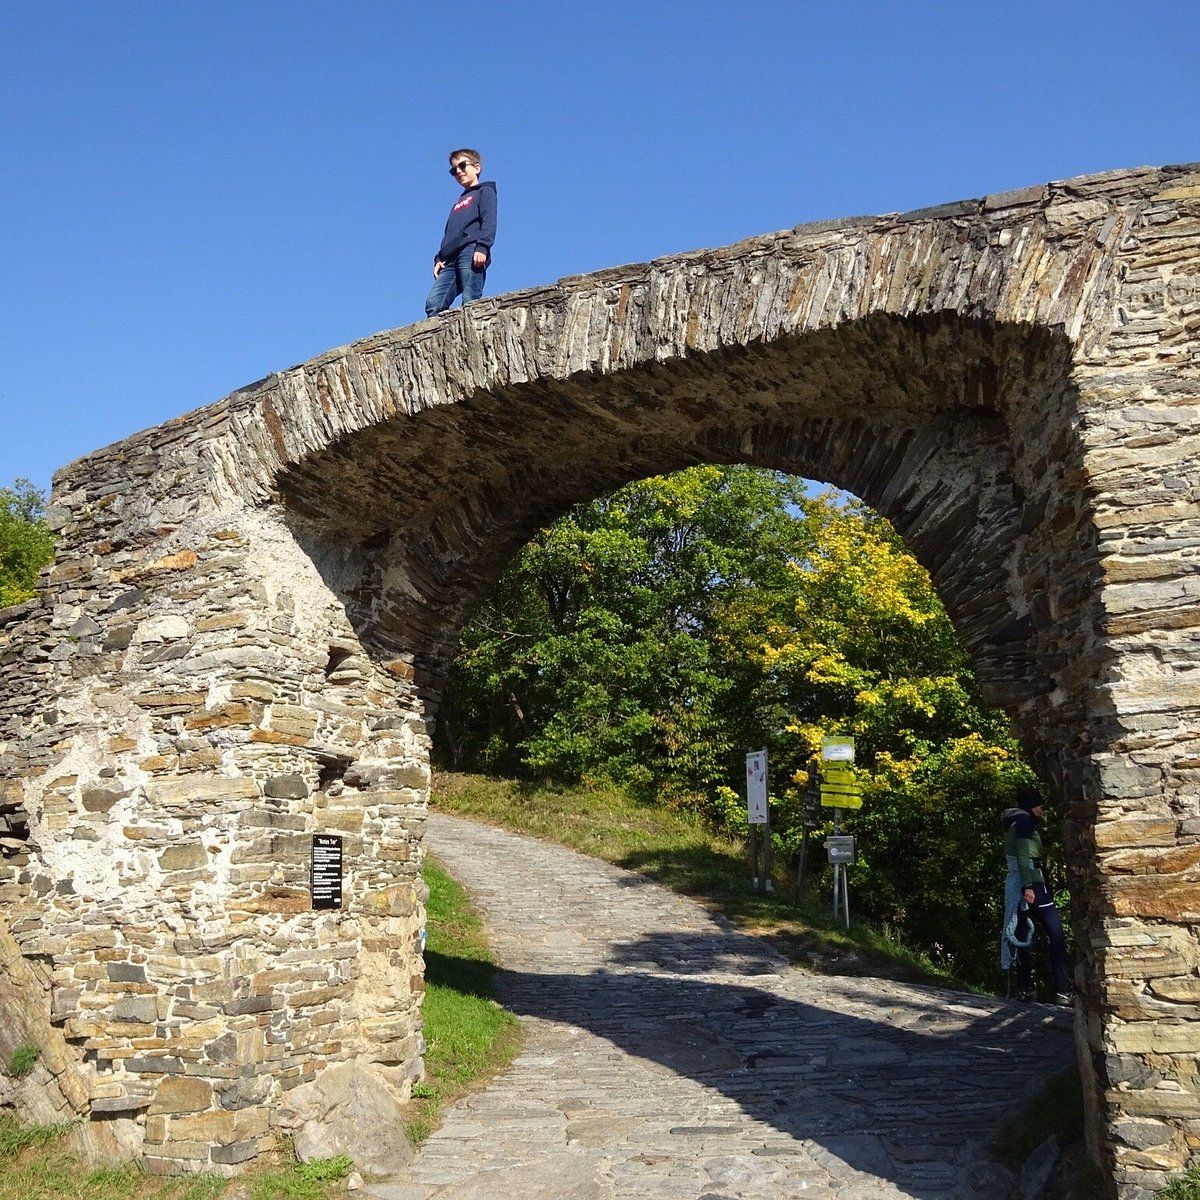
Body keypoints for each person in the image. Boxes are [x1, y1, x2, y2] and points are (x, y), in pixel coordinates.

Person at [1000, 785, 1073, 1006]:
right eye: (1039, 804)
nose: (1041, 809)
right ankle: (1063, 989)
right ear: (1031, 805)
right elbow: (1024, 855)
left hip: (1016, 884)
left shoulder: (1012, 822)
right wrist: (1029, 886)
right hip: (1032, 884)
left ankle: (1025, 989)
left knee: (1024, 936)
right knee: (1056, 934)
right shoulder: (1024, 823)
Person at [425, 148, 498, 317]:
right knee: (434, 304)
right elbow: (449, 234)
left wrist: (482, 247)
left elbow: (489, 221)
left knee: (470, 299)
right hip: (449, 259)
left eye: (463, 166)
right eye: (454, 170)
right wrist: (439, 258)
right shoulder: (458, 203)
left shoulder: (485, 191)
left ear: (477, 168)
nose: (458, 171)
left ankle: (472, 340)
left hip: (471, 249)